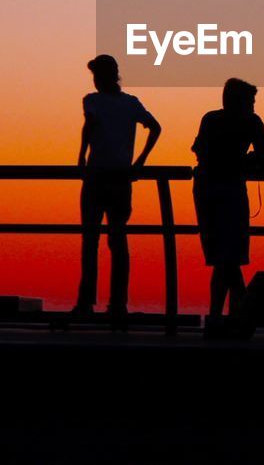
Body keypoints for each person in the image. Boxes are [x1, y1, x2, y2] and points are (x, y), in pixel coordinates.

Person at [74, 54, 161, 329]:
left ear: (104, 76)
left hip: (99, 176)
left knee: (92, 240)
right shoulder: (130, 104)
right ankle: (117, 304)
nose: (96, 81)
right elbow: (155, 127)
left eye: (97, 75)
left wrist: (81, 157)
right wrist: (140, 162)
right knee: (117, 241)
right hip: (121, 177)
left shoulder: (93, 100)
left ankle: (88, 303)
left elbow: (89, 126)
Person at [192, 78, 264, 337]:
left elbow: (201, 152)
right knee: (229, 259)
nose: (252, 106)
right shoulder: (252, 122)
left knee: (223, 260)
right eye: (250, 101)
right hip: (231, 193)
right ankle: (242, 316)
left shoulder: (211, 119)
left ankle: (222, 317)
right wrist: (246, 161)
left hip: (207, 192)